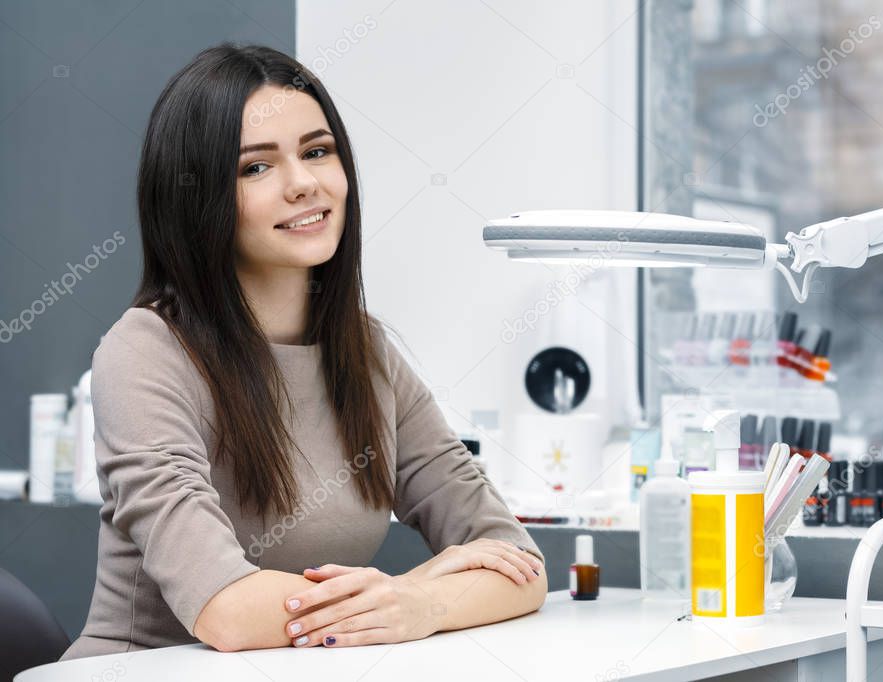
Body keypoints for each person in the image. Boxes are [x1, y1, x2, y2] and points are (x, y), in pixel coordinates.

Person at [61, 44, 545, 659]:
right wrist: (407, 590)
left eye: (317, 152)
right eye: (255, 168)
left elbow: (520, 566)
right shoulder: (146, 350)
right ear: (195, 197)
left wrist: (423, 603)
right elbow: (228, 612)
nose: (303, 184)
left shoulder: (366, 351)